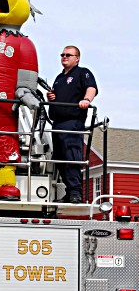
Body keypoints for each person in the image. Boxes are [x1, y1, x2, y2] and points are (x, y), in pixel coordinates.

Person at [47, 45, 98, 204]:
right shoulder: (59, 77)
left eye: (68, 54)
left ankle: (76, 192)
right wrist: (51, 97)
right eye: (62, 54)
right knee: (60, 158)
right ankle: (69, 192)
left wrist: (86, 100)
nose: (64, 57)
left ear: (77, 58)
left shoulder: (83, 72)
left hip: (72, 122)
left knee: (71, 156)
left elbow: (92, 88)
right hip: (57, 123)